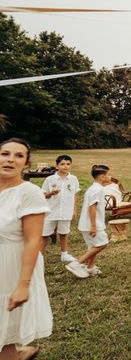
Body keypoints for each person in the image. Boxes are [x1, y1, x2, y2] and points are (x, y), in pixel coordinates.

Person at [0, 138, 53, 360]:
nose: (11, 159)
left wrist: (23, 285)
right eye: (5, 154)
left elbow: (34, 241)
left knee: (4, 330)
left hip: (11, 268)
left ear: (26, 163)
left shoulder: (29, 193)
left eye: (19, 156)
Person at [65, 165, 111, 279]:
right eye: (108, 174)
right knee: (102, 243)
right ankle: (77, 264)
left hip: (87, 224)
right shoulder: (97, 189)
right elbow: (92, 207)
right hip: (93, 224)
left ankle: (90, 268)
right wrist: (94, 226)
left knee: (93, 246)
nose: (110, 176)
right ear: (101, 177)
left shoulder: (95, 187)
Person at [40, 154, 80, 263]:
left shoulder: (73, 179)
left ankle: (64, 254)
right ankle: (40, 257)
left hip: (66, 210)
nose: (65, 166)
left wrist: (74, 210)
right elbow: (43, 195)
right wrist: (50, 193)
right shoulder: (50, 179)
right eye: (62, 164)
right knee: (45, 234)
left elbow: (75, 195)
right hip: (51, 211)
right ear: (57, 166)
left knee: (63, 232)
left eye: (68, 164)